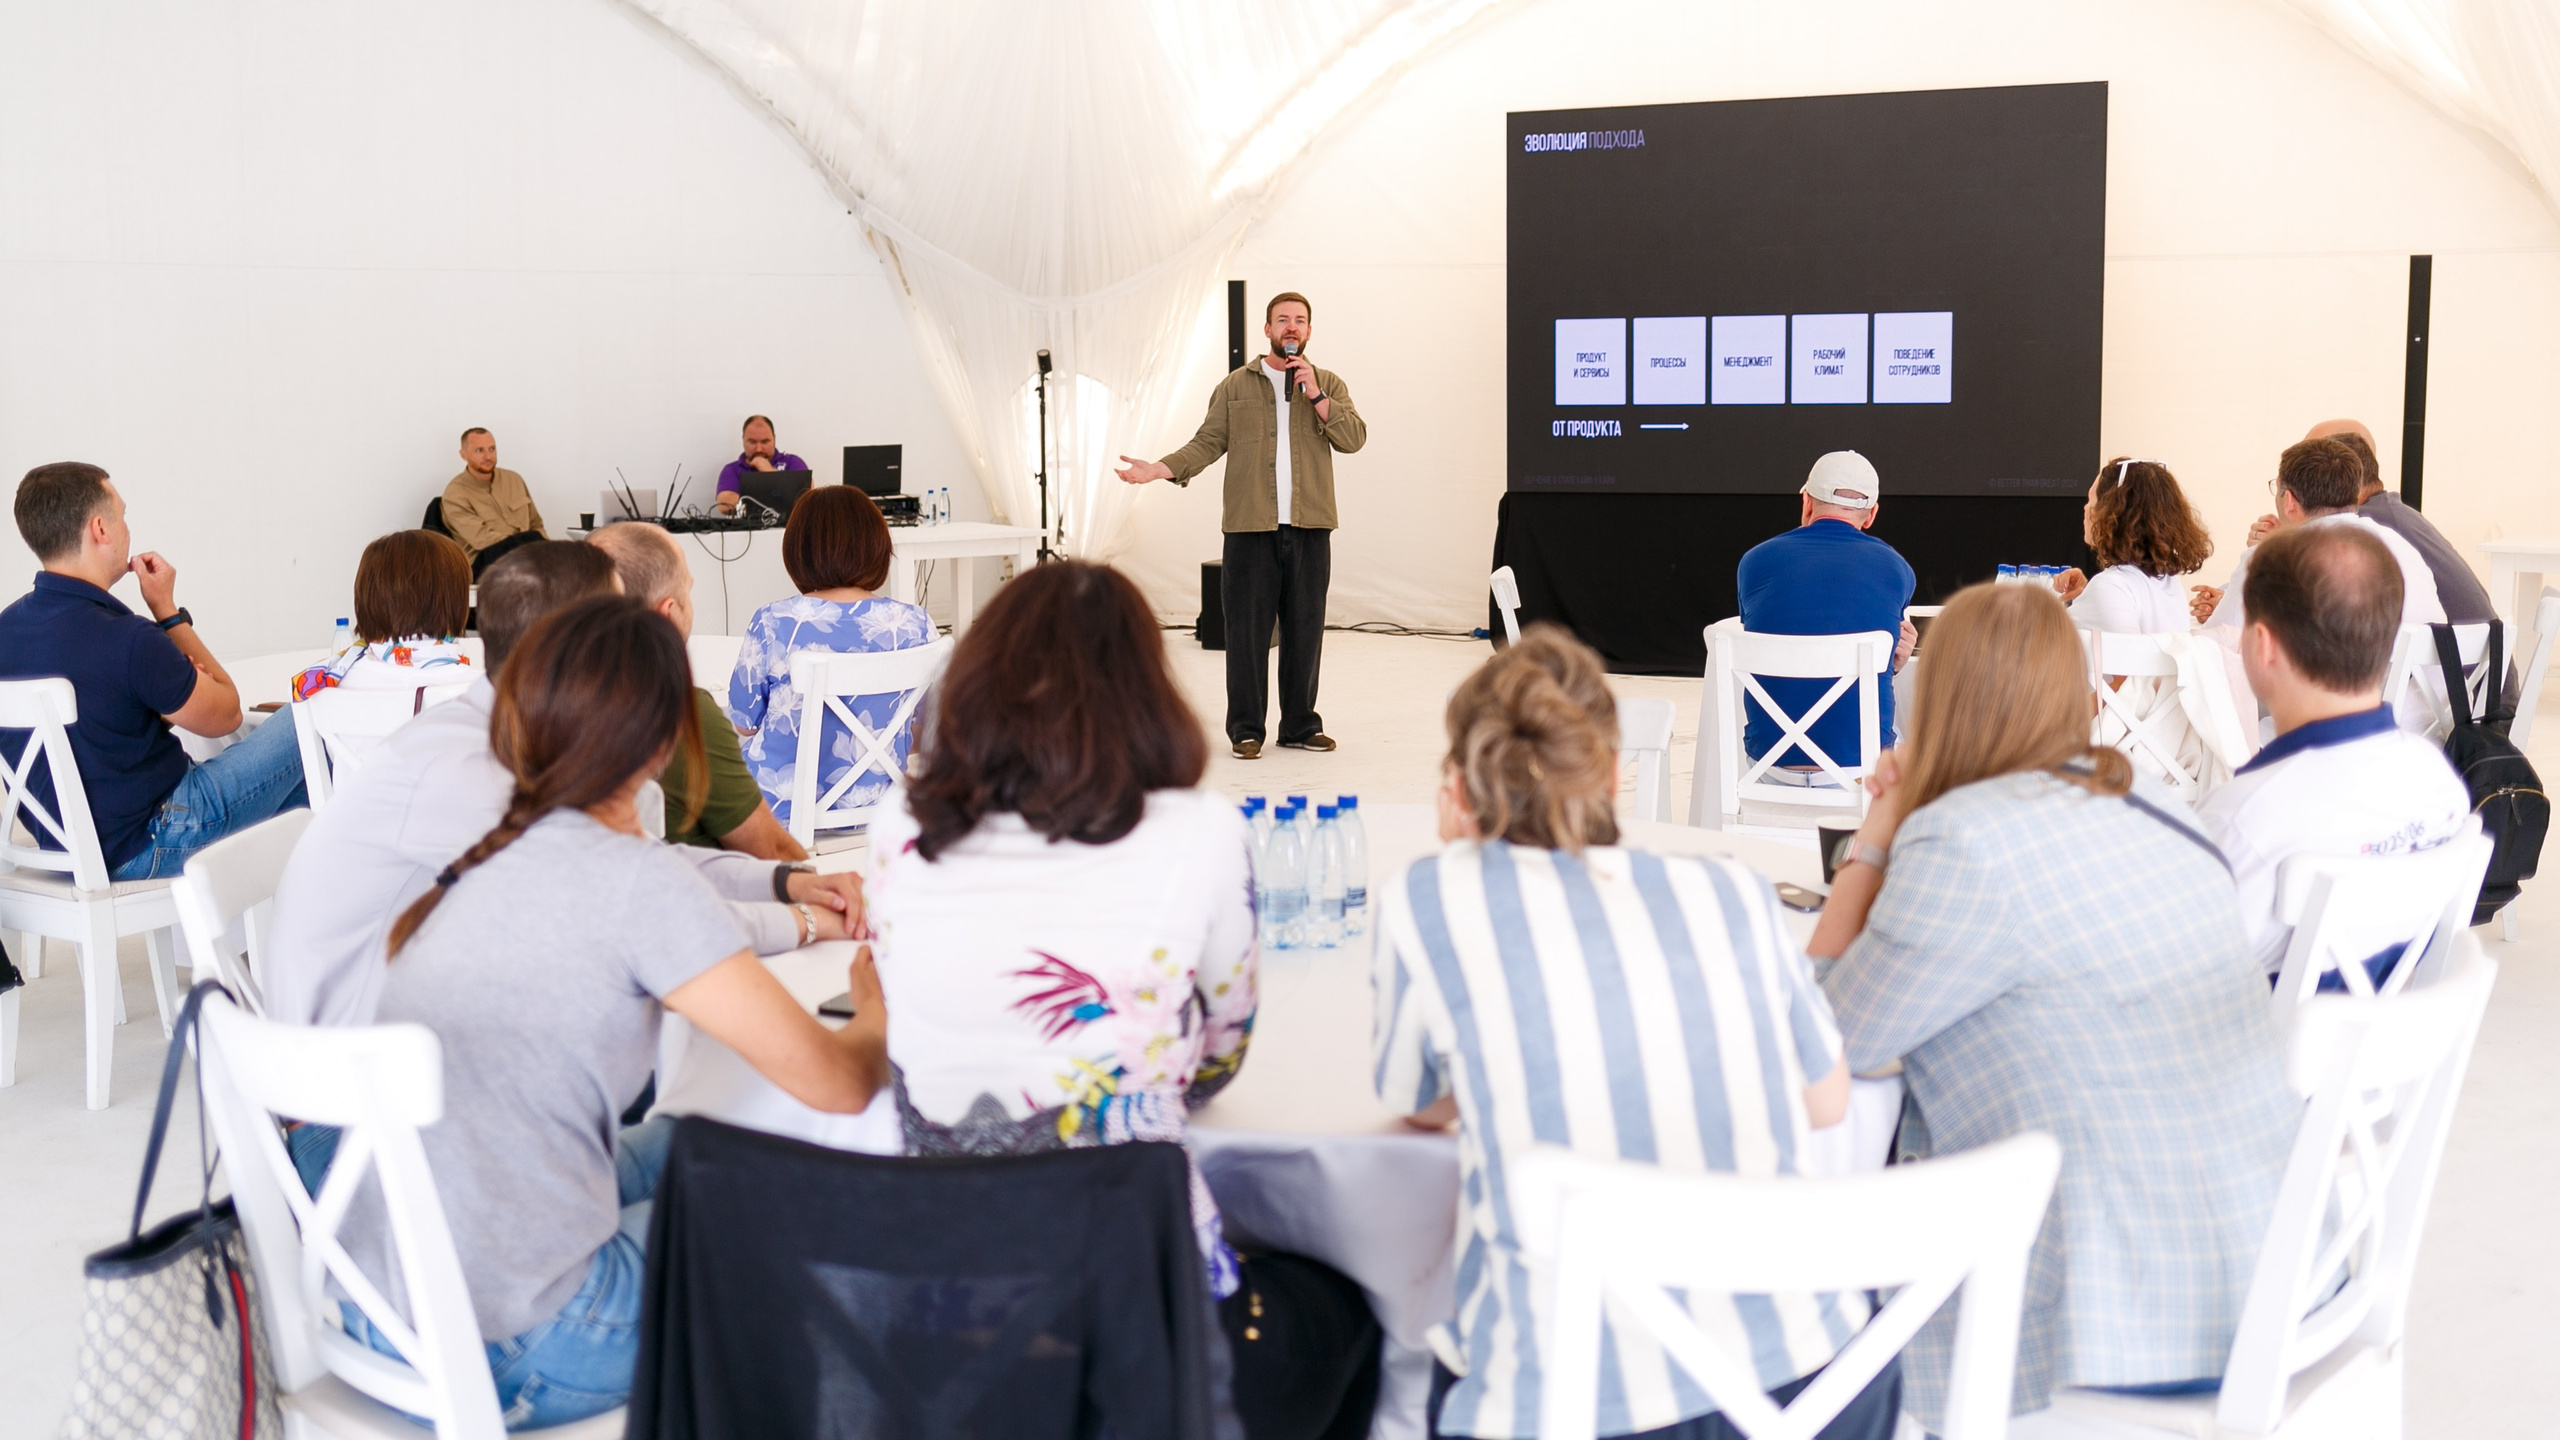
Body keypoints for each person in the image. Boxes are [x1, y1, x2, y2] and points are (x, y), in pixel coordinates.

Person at [330, 595, 890, 1429]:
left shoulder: (482, 851)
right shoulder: (636, 886)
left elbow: (657, 886)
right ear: (664, 741)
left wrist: (785, 895)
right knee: (822, 1215)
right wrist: (877, 1004)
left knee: (712, 1135)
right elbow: (841, 1083)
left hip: (381, 1298)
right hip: (522, 1343)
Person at [1372, 625, 1896, 1440]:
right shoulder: (1731, 892)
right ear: (1615, 776)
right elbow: (1827, 1104)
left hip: (1569, 1406)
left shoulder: (1434, 897)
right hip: (1817, 1383)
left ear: (1460, 785)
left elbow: (1415, 1100)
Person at [1808, 582, 2297, 1428]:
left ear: (1940, 694)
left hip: (2118, 1313)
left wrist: (1878, 833)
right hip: (2267, 1270)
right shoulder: (2160, 805)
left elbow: (1821, 1042)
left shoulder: (1962, 840)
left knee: (1808, 1328)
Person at [265, 541, 866, 1030]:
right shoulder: (465, 769)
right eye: (618, 628)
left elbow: (641, 870)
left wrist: (786, 884)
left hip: (434, 1055)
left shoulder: (519, 733)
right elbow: (637, 912)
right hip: (359, 1111)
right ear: (571, 651)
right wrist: (807, 923)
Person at [869, 559, 1253, 1270]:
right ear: (1145, 688)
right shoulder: (1204, 829)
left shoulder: (899, 821)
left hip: (933, 1283)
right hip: (1135, 1303)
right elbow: (1222, 1057)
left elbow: (899, 998)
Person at [0, 462, 305, 880]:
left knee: (300, 795)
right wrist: (166, 611)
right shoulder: (126, 638)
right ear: (100, 530)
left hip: (63, 849)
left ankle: (260, 931)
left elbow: (88, 722)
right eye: (122, 516)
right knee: (309, 718)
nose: (127, 530)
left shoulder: (7, 631)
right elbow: (226, 713)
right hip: (154, 839)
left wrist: (143, 708)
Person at [2196, 524, 2469, 980]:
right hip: (2391, 1042)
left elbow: (2174, 979)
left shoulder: (2239, 821)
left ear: (2262, 647)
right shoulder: (2440, 784)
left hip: (2265, 1047)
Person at [1116, 291, 1368, 760]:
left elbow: (1353, 438)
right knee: (1247, 634)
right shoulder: (1235, 386)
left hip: (1311, 527)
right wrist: (1160, 468)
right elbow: (1206, 442)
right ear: (1267, 329)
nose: (1291, 327)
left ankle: (1298, 725)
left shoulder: (1327, 383)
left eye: (1300, 321)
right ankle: (1246, 730)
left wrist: (1315, 394)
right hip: (1250, 528)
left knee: (1305, 631)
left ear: (1309, 332)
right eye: (1282, 320)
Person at [586, 521, 805, 857]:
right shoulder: (680, 711)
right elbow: (774, 852)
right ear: (668, 613)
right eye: (686, 590)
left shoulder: (540, 696)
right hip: (703, 895)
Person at [725, 484, 936, 828]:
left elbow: (744, 725)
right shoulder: (915, 624)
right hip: (881, 811)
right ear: (878, 547)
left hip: (779, 814)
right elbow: (929, 730)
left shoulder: (774, 621)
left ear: (798, 551)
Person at [1735, 451, 1917, 773]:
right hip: (1861, 772)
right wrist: (1893, 663)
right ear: (1871, 515)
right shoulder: (1896, 569)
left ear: (1806, 502)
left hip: (1769, 766)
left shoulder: (1754, 563)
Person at [2195, 435, 2444, 634]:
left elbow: (2223, 641)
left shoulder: (2279, 555)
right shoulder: (2397, 543)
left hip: (2360, 694)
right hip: (2440, 695)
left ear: (2289, 500)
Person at [290, 529, 476, 699]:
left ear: (367, 597)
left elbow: (264, 738)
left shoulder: (320, 683)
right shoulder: (486, 692)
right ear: (455, 602)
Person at [2049, 457, 2213, 633]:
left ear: (2111, 514)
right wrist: (2087, 597)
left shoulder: (2109, 587)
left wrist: (2091, 598)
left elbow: (2047, 641)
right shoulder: (2168, 581)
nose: (2085, 508)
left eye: (2091, 500)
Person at [440, 427, 547, 574]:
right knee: (534, 540)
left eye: (492, 449)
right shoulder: (455, 493)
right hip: (484, 560)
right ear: (463, 455)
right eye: (480, 451)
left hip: (525, 554)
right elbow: (481, 539)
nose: (488, 456)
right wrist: (528, 544)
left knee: (566, 556)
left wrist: (544, 547)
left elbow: (536, 523)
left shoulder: (513, 479)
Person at [713, 414, 810, 515]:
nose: (758, 449)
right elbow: (725, 505)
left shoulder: (792, 462)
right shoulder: (732, 469)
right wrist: (782, 496)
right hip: (748, 529)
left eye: (765, 442)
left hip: (790, 528)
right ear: (743, 440)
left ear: (774, 439)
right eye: (752, 442)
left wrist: (768, 471)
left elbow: (807, 499)